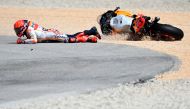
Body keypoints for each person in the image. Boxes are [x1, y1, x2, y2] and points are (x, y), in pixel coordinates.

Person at [14, 20, 101, 44]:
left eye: (18, 29)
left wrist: (23, 41)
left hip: (51, 35)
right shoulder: (29, 26)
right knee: (70, 37)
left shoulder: (29, 29)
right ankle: (90, 36)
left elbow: (34, 40)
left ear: (23, 27)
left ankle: (90, 34)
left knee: (70, 39)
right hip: (49, 36)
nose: (17, 31)